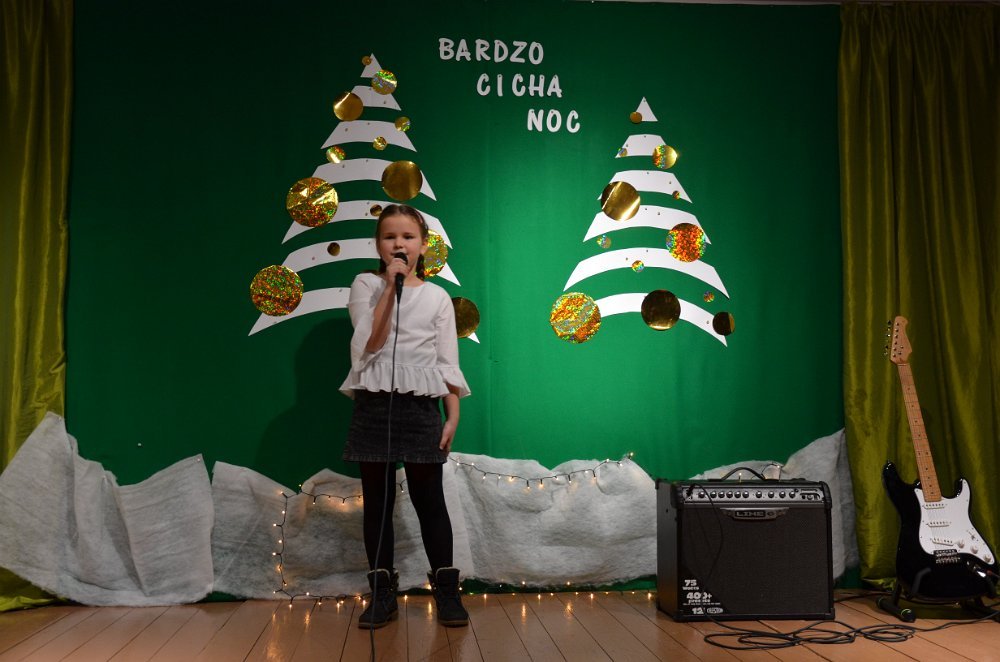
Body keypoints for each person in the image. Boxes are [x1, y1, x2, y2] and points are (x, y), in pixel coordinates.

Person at [339, 204, 471, 629]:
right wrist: (389, 288)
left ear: (423, 245)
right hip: (374, 405)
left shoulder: (437, 297)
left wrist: (452, 416)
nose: (399, 244)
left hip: (421, 408)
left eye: (408, 237)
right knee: (377, 504)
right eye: (390, 237)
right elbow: (370, 343)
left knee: (429, 500)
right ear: (378, 245)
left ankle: (447, 590)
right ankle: (382, 594)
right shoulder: (365, 284)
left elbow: (447, 362)